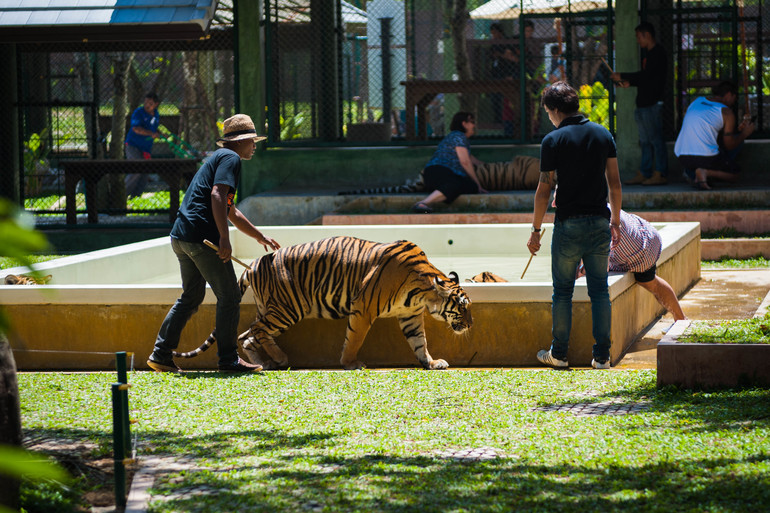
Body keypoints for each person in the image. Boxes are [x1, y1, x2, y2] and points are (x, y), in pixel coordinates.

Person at [147, 114, 281, 374]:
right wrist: (224, 239)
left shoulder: (218, 159)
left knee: (191, 296)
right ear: (239, 142)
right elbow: (217, 195)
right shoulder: (230, 158)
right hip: (202, 238)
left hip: (181, 236)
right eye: (251, 141)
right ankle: (228, 360)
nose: (254, 145)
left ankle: (161, 354)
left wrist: (258, 236)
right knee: (230, 296)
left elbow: (230, 210)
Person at [527, 81, 622, 369]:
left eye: (547, 112)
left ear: (555, 110)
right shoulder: (603, 134)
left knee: (563, 292)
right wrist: (615, 221)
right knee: (599, 290)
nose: (549, 117)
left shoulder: (553, 141)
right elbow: (614, 184)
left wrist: (535, 230)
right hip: (598, 223)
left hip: (568, 224)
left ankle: (559, 354)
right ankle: (602, 357)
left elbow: (544, 189)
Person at [578, 209, 686, 322]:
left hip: (642, 251)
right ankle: (681, 318)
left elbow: (601, 265)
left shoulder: (595, 221)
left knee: (648, 281)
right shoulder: (595, 204)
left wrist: (580, 270)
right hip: (644, 233)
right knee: (651, 282)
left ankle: (681, 319)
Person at [611, 22, 669, 186]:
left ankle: (660, 172)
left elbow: (648, 76)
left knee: (655, 140)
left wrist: (622, 75)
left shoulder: (658, 53)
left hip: (652, 104)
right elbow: (647, 79)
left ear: (647, 35)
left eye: (638, 36)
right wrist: (629, 82)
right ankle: (645, 172)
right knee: (645, 141)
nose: (637, 40)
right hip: (643, 103)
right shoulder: (648, 54)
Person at [673, 80, 755, 190]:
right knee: (735, 175)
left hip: (682, 156)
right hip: (707, 158)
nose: (734, 101)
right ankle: (705, 172)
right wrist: (745, 133)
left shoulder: (696, 101)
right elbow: (729, 145)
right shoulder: (726, 112)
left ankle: (691, 173)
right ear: (729, 95)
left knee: (717, 146)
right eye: (734, 97)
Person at [411, 112, 488, 213]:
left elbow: (472, 160)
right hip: (438, 171)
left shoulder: (457, 138)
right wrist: (478, 184)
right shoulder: (458, 136)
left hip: (442, 175)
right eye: (472, 122)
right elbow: (465, 162)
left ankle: (428, 201)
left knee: (470, 187)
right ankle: (423, 203)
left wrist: (492, 166)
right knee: (455, 184)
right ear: (464, 124)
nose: (474, 125)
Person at [124, 92, 161, 197]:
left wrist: (160, 134)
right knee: (136, 170)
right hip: (133, 146)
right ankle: (122, 196)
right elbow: (136, 129)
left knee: (145, 171)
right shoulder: (138, 112)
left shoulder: (156, 114)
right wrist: (152, 134)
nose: (147, 105)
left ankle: (136, 196)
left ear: (156, 104)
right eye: (145, 102)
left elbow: (152, 128)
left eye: (150, 103)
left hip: (146, 148)